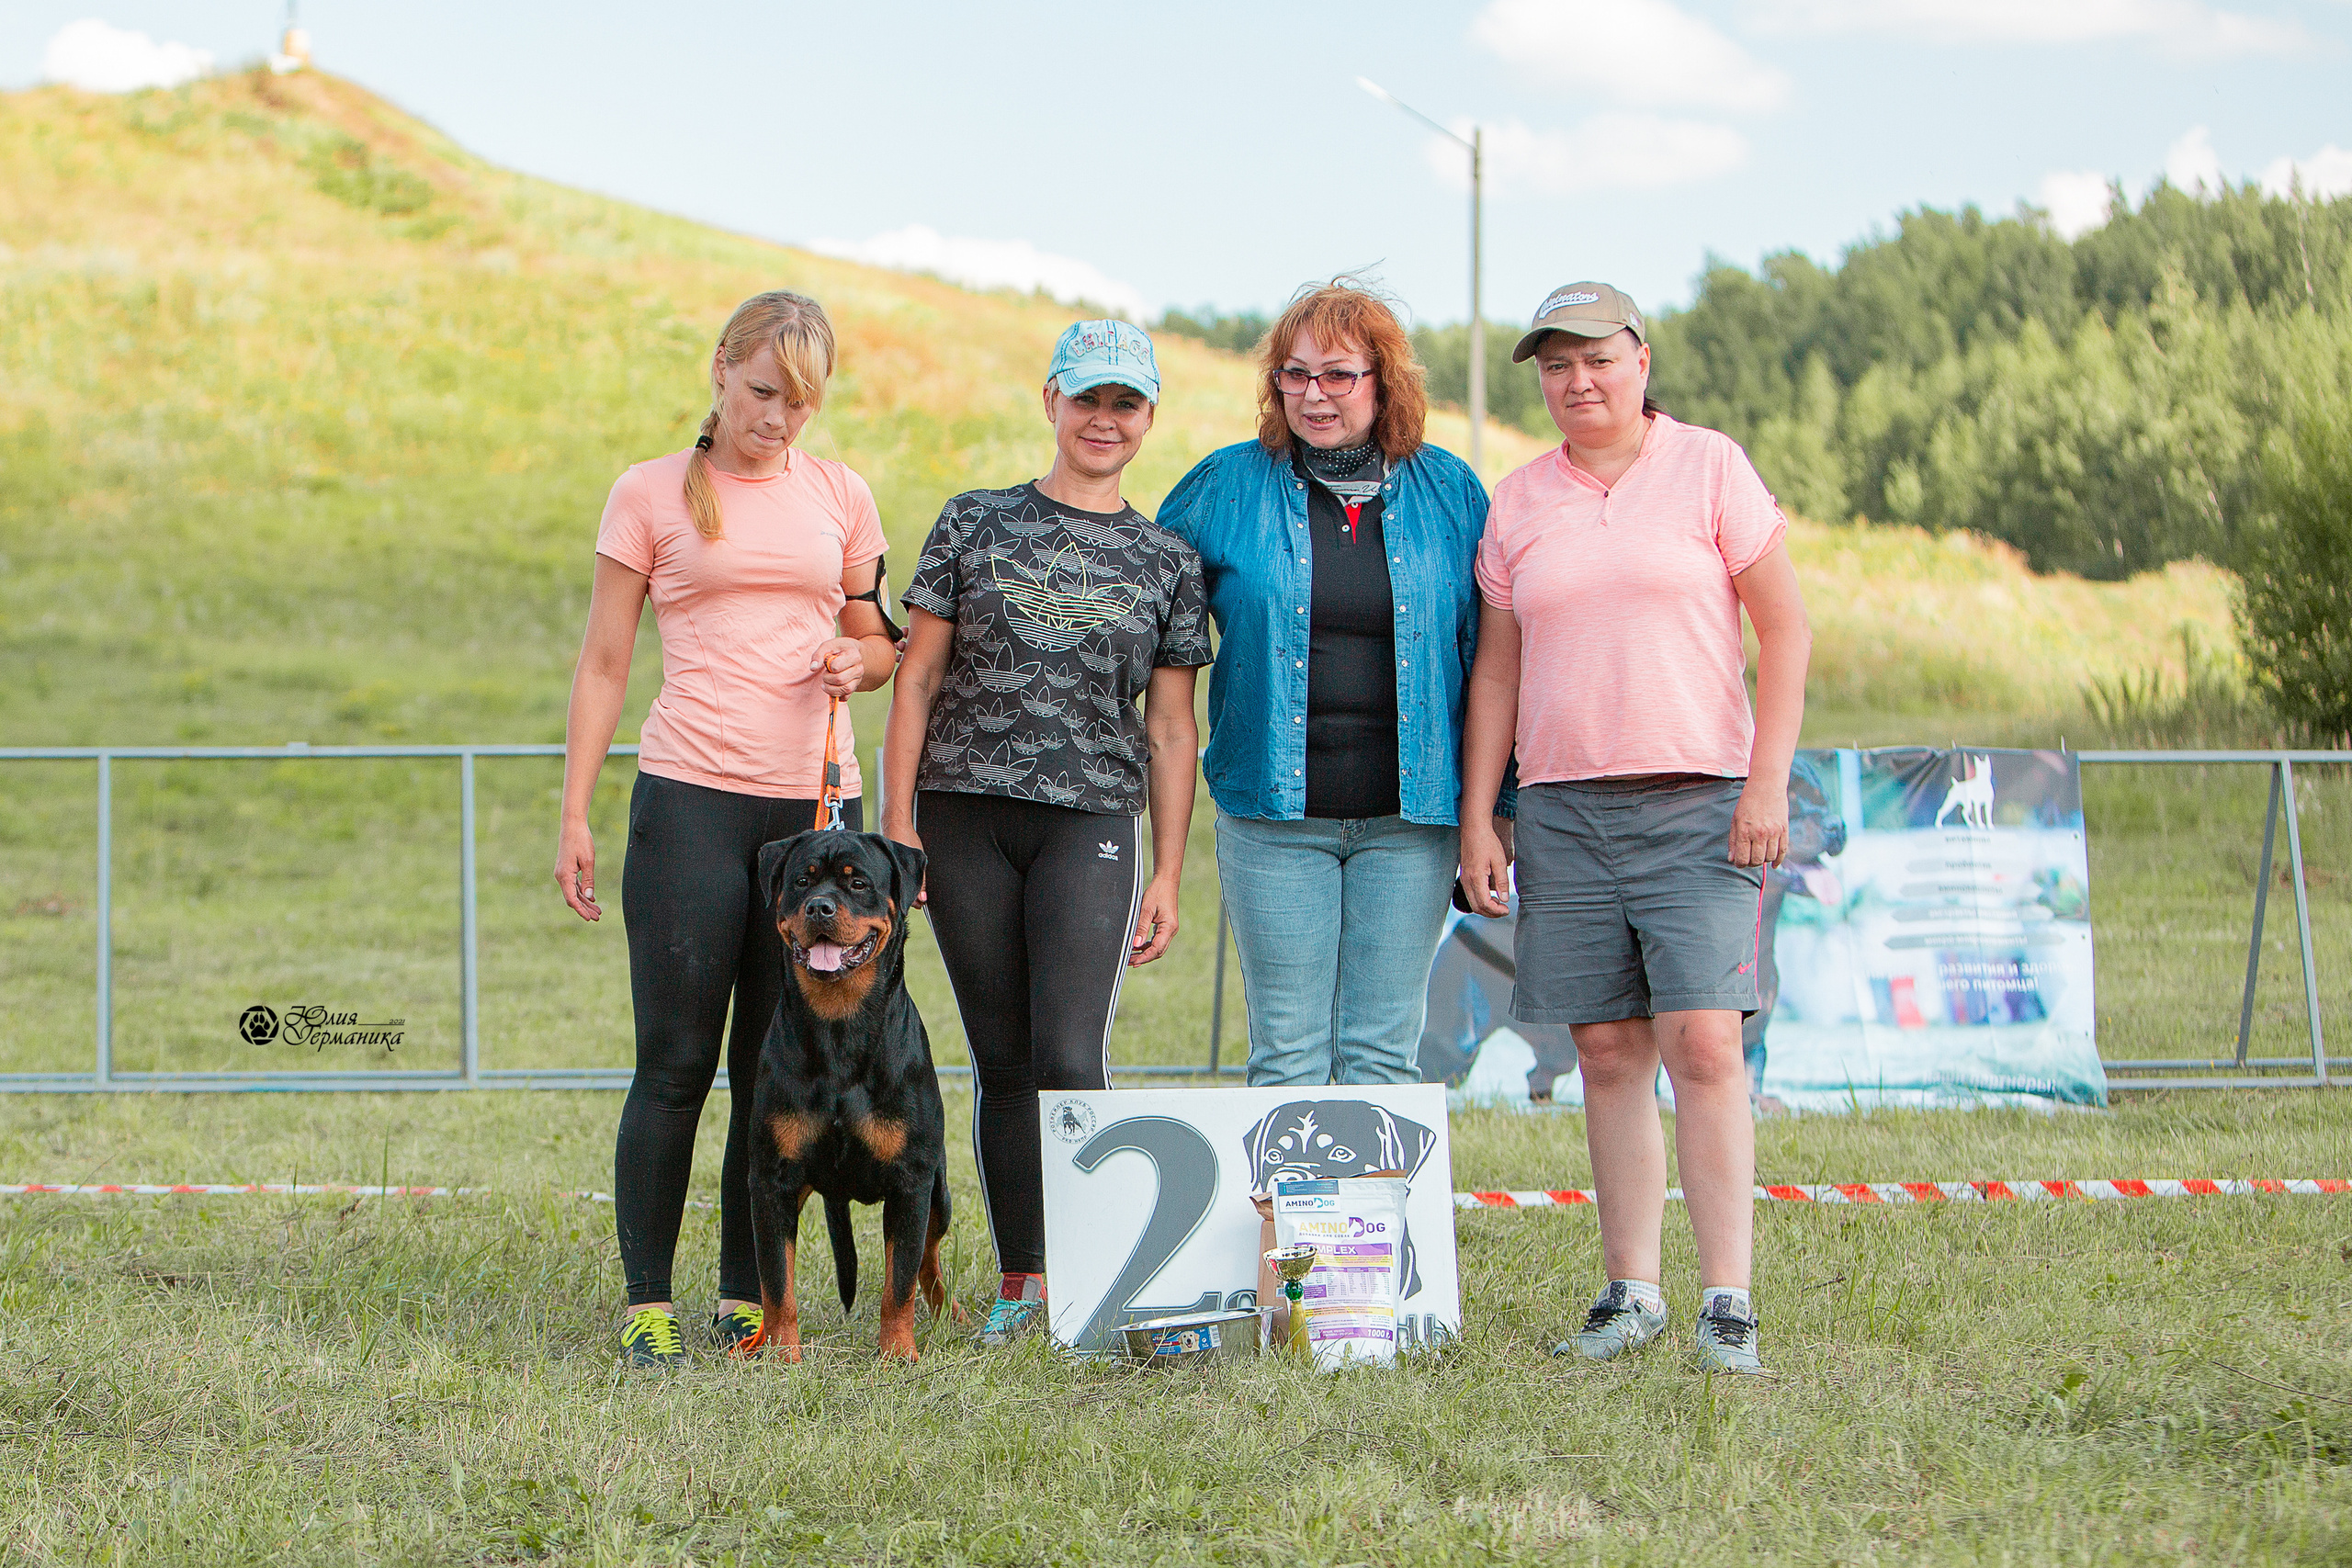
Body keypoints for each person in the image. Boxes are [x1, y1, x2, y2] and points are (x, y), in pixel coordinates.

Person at [1458, 281, 1813, 1376]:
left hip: (1701, 799)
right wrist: (1484, 814)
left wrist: (1766, 785)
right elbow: (1498, 674)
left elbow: (1787, 632)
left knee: (1704, 1042)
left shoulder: (1711, 467)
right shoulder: (1516, 501)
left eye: (1596, 360)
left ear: (1641, 361)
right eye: (1556, 367)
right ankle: (1632, 1294)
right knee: (1603, 1050)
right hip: (1562, 808)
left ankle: (1728, 1305)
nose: (1577, 382)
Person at [554, 290, 899, 1369]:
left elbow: (877, 640)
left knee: (776, 1069)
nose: (779, 420)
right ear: (719, 371)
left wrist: (863, 661)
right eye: (762, 393)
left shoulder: (840, 495)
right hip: (691, 802)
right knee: (674, 1064)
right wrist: (574, 809)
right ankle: (646, 1301)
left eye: (800, 403)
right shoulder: (648, 494)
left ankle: (748, 1296)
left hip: (813, 817)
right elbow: (605, 660)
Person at [883, 320, 1208, 1344]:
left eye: (1125, 403)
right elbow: (918, 678)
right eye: (1087, 399)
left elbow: (1169, 725)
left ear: (1148, 418)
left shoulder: (1167, 560)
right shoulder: (974, 524)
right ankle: (1025, 1281)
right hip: (961, 818)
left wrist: (1167, 870)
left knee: (1070, 1050)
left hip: (1091, 826)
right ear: (1052, 402)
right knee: (1003, 1058)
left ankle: (1102, 1275)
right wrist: (896, 827)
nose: (1103, 420)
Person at [1159, 278, 1503, 1089]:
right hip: (1273, 821)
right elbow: (1143, 610)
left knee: (1381, 1055)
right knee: (1288, 1055)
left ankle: (1372, 1224)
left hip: (1410, 823)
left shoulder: (1451, 492)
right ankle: (1290, 1224)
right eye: (1295, 373)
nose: (1314, 394)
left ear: (1384, 381)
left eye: (1338, 374)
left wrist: (1500, 810)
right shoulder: (1224, 486)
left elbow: (1495, 657)